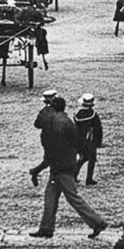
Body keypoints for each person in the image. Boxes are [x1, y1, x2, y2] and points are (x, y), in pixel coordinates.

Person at [28, 95, 107, 240]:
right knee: (50, 198)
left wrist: (37, 169)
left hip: (61, 168)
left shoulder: (55, 123)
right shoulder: (66, 121)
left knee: (72, 198)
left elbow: (51, 150)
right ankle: (46, 228)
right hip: (64, 166)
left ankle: (97, 222)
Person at [74, 94, 104, 186]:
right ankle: (89, 179)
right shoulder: (93, 115)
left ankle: (74, 175)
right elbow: (98, 129)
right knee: (92, 159)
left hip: (79, 140)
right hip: (90, 140)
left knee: (83, 157)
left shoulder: (78, 114)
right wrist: (98, 142)